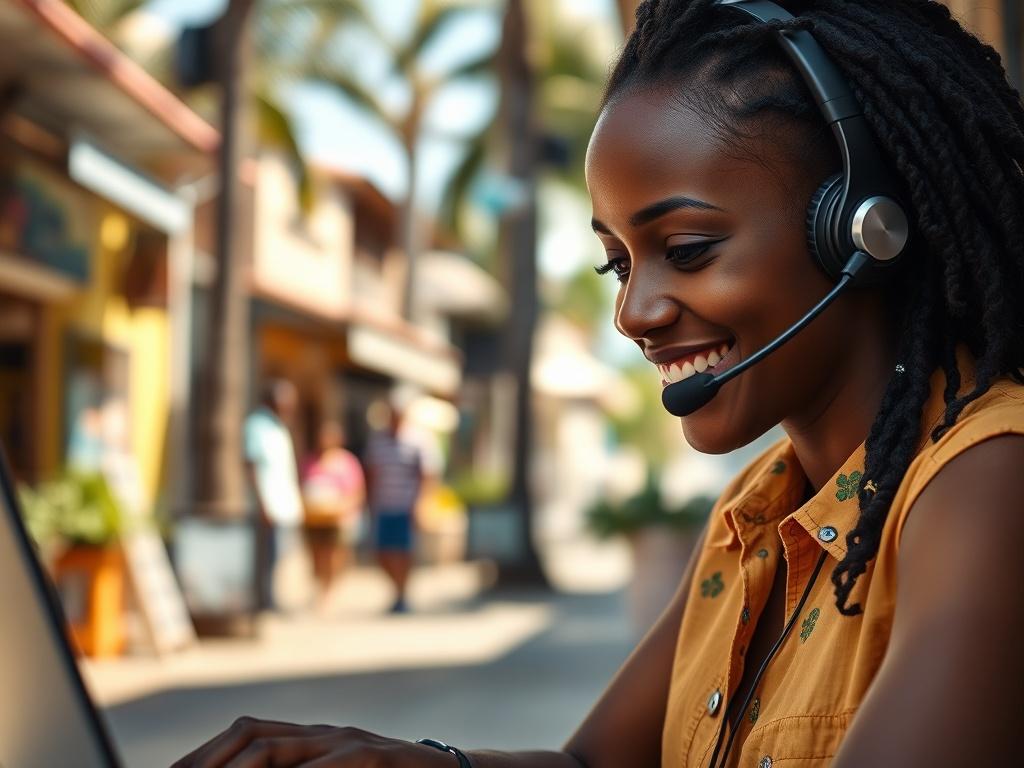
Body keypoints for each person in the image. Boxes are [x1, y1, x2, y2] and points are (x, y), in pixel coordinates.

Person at [173, 1, 1024, 765]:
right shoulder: (756, 509)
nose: (634, 313)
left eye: (686, 250)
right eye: (617, 264)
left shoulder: (990, 482)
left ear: (862, 228)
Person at [244, 379, 304, 613]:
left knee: (280, 554)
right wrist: (263, 503)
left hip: (283, 503)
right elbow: (252, 467)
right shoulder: (256, 426)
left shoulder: (280, 427)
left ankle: (273, 599)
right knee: (267, 555)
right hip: (269, 504)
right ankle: (264, 600)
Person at [364, 402, 423, 614]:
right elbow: (371, 473)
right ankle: (397, 591)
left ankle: (402, 594)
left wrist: (421, 504)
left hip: (406, 506)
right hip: (383, 505)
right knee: (382, 553)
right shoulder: (378, 441)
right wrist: (369, 502)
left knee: (404, 552)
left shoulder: (417, 441)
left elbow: (427, 474)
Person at [301, 420, 366, 612]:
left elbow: (357, 492)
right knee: (316, 555)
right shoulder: (310, 461)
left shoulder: (347, 462)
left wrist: (343, 509)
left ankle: (328, 592)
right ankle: (319, 588)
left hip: (337, 518)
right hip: (314, 518)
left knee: (333, 556)